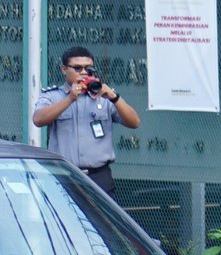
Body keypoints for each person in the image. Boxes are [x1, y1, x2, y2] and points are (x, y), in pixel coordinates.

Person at [31, 46, 142, 194]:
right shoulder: (52, 96)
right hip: (63, 175)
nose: (83, 72)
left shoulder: (103, 96)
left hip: (98, 176)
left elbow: (135, 122)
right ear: (64, 69)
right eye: (77, 68)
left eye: (88, 68)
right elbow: (38, 120)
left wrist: (114, 98)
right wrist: (70, 99)